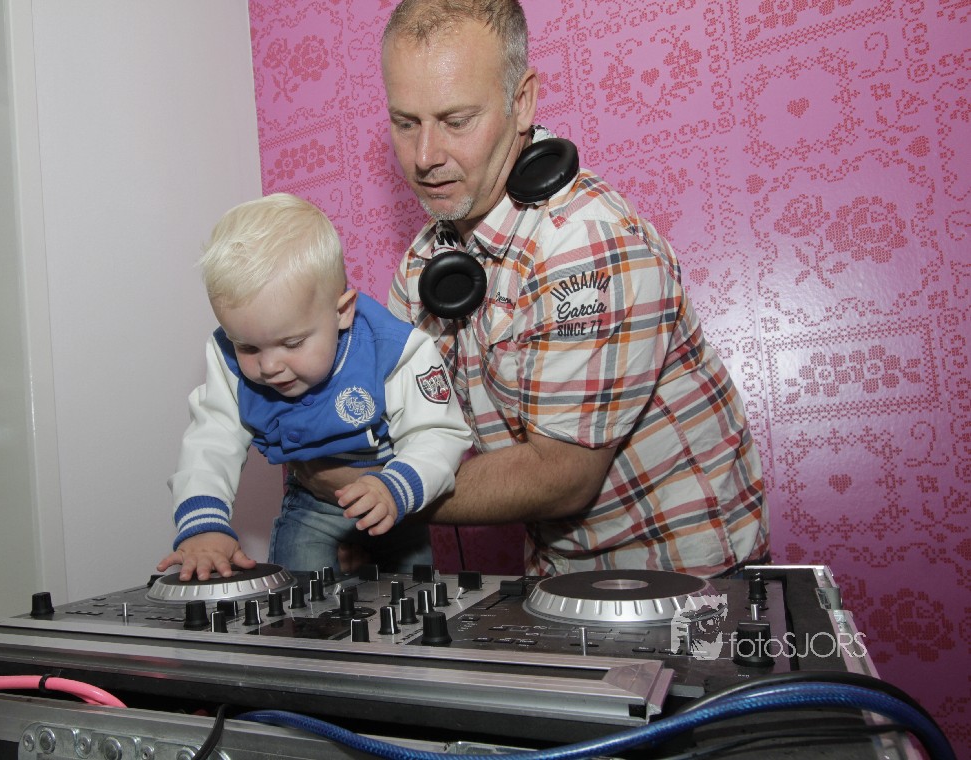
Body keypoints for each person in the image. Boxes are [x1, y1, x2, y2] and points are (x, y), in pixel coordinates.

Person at [295, 0, 768, 578]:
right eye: (406, 123)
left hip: (690, 579)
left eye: (456, 121)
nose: (424, 157)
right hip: (558, 576)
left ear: (521, 102)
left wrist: (371, 491)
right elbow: (399, 426)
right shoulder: (426, 264)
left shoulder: (585, 243)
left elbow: (561, 476)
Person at [157, 193, 473, 582]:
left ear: (342, 312)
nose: (270, 366)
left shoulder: (395, 351)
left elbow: (439, 433)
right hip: (311, 505)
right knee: (299, 599)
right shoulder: (228, 360)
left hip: (393, 495)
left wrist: (397, 485)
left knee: (413, 599)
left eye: (292, 343)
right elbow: (211, 441)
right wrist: (203, 524)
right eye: (248, 347)